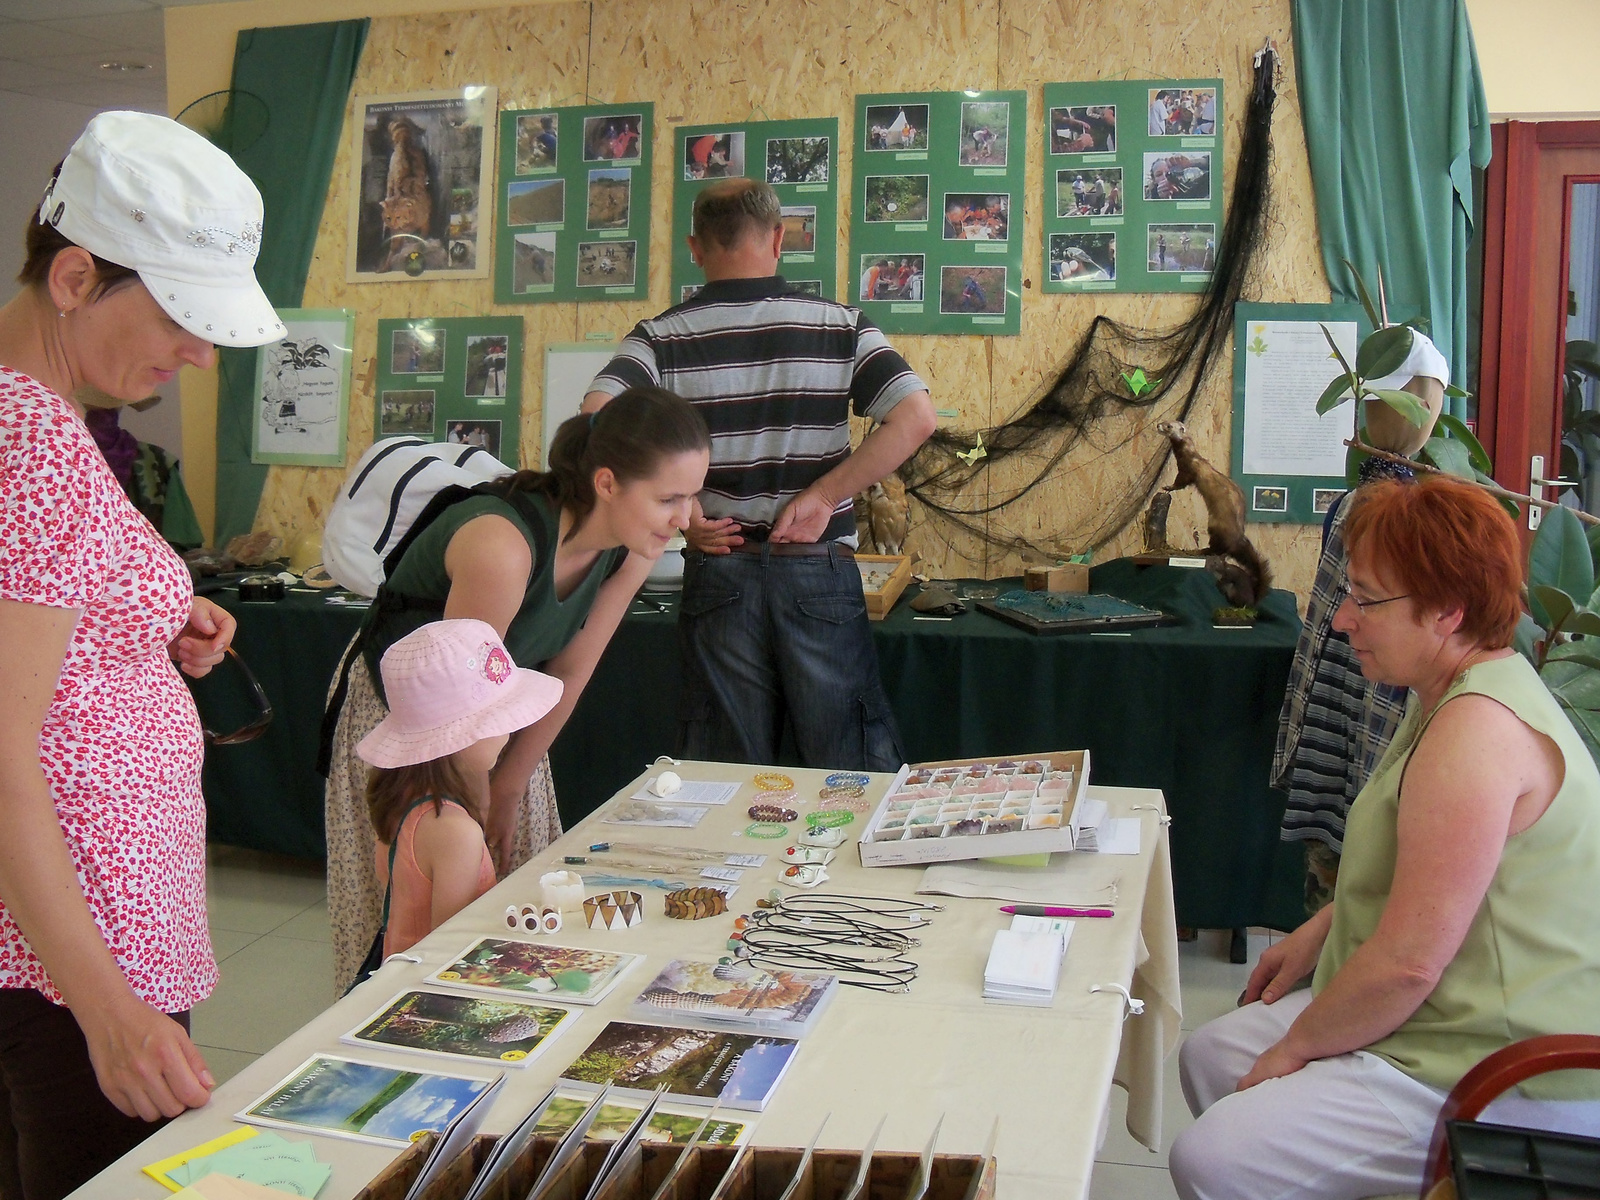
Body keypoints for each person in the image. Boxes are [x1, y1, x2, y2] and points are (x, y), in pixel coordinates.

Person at [1170, 476, 1600, 1200]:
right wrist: (1322, 930)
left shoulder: (1475, 736)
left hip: (1499, 1063)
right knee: (1211, 1056)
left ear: (1448, 613)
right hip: (1448, 1016)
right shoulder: (1451, 692)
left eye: (1366, 600)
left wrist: (1294, 1050)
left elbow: (1407, 967)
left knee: (1212, 1158)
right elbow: (1438, 879)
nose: (1341, 621)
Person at [0, 110, 285, 1196]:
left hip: (65, 934)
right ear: (76, 278)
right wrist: (105, 1010)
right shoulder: (29, 438)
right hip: (67, 950)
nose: (198, 353)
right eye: (179, 317)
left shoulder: (39, 419)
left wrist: (146, 630)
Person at [323, 387, 710, 991]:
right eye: (670, 498)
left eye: (693, 495)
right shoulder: (502, 547)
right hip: (416, 722)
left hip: (500, 717)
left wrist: (509, 786)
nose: (688, 518)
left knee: (513, 904)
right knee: (422, 909)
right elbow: (459, 705)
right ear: (607, 483)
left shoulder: (632, 546)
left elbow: (569, 670)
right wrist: (482, 801)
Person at [584, 178, 935, 771]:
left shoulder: (660, 338)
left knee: (726, 770)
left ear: (695, 248)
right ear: (778, 239)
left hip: (719, 568)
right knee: (847, 761)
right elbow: (916, 417)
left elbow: (597, 421)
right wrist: (825, 495)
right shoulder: (839, 324)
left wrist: (685, 512)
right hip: (818, 568)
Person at [358, 620, 562, 972]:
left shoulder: (404, 800)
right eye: (498, 720)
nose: (509, 731)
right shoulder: (454, 831)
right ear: (459, 737)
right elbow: (454, 951)